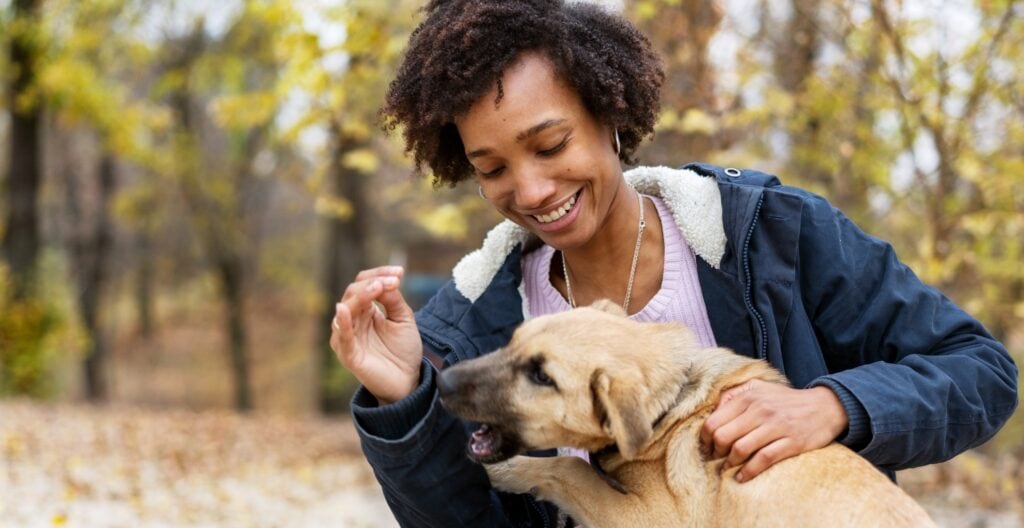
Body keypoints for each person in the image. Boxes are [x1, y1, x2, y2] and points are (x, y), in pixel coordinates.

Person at [329, 1, 1019, 526]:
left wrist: (834, 405)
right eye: (492, 168)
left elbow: (980, 372)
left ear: (610, 115)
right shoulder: (475, 317)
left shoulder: (772, 236)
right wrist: (405, 398)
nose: (531, 190)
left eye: (550, 144)